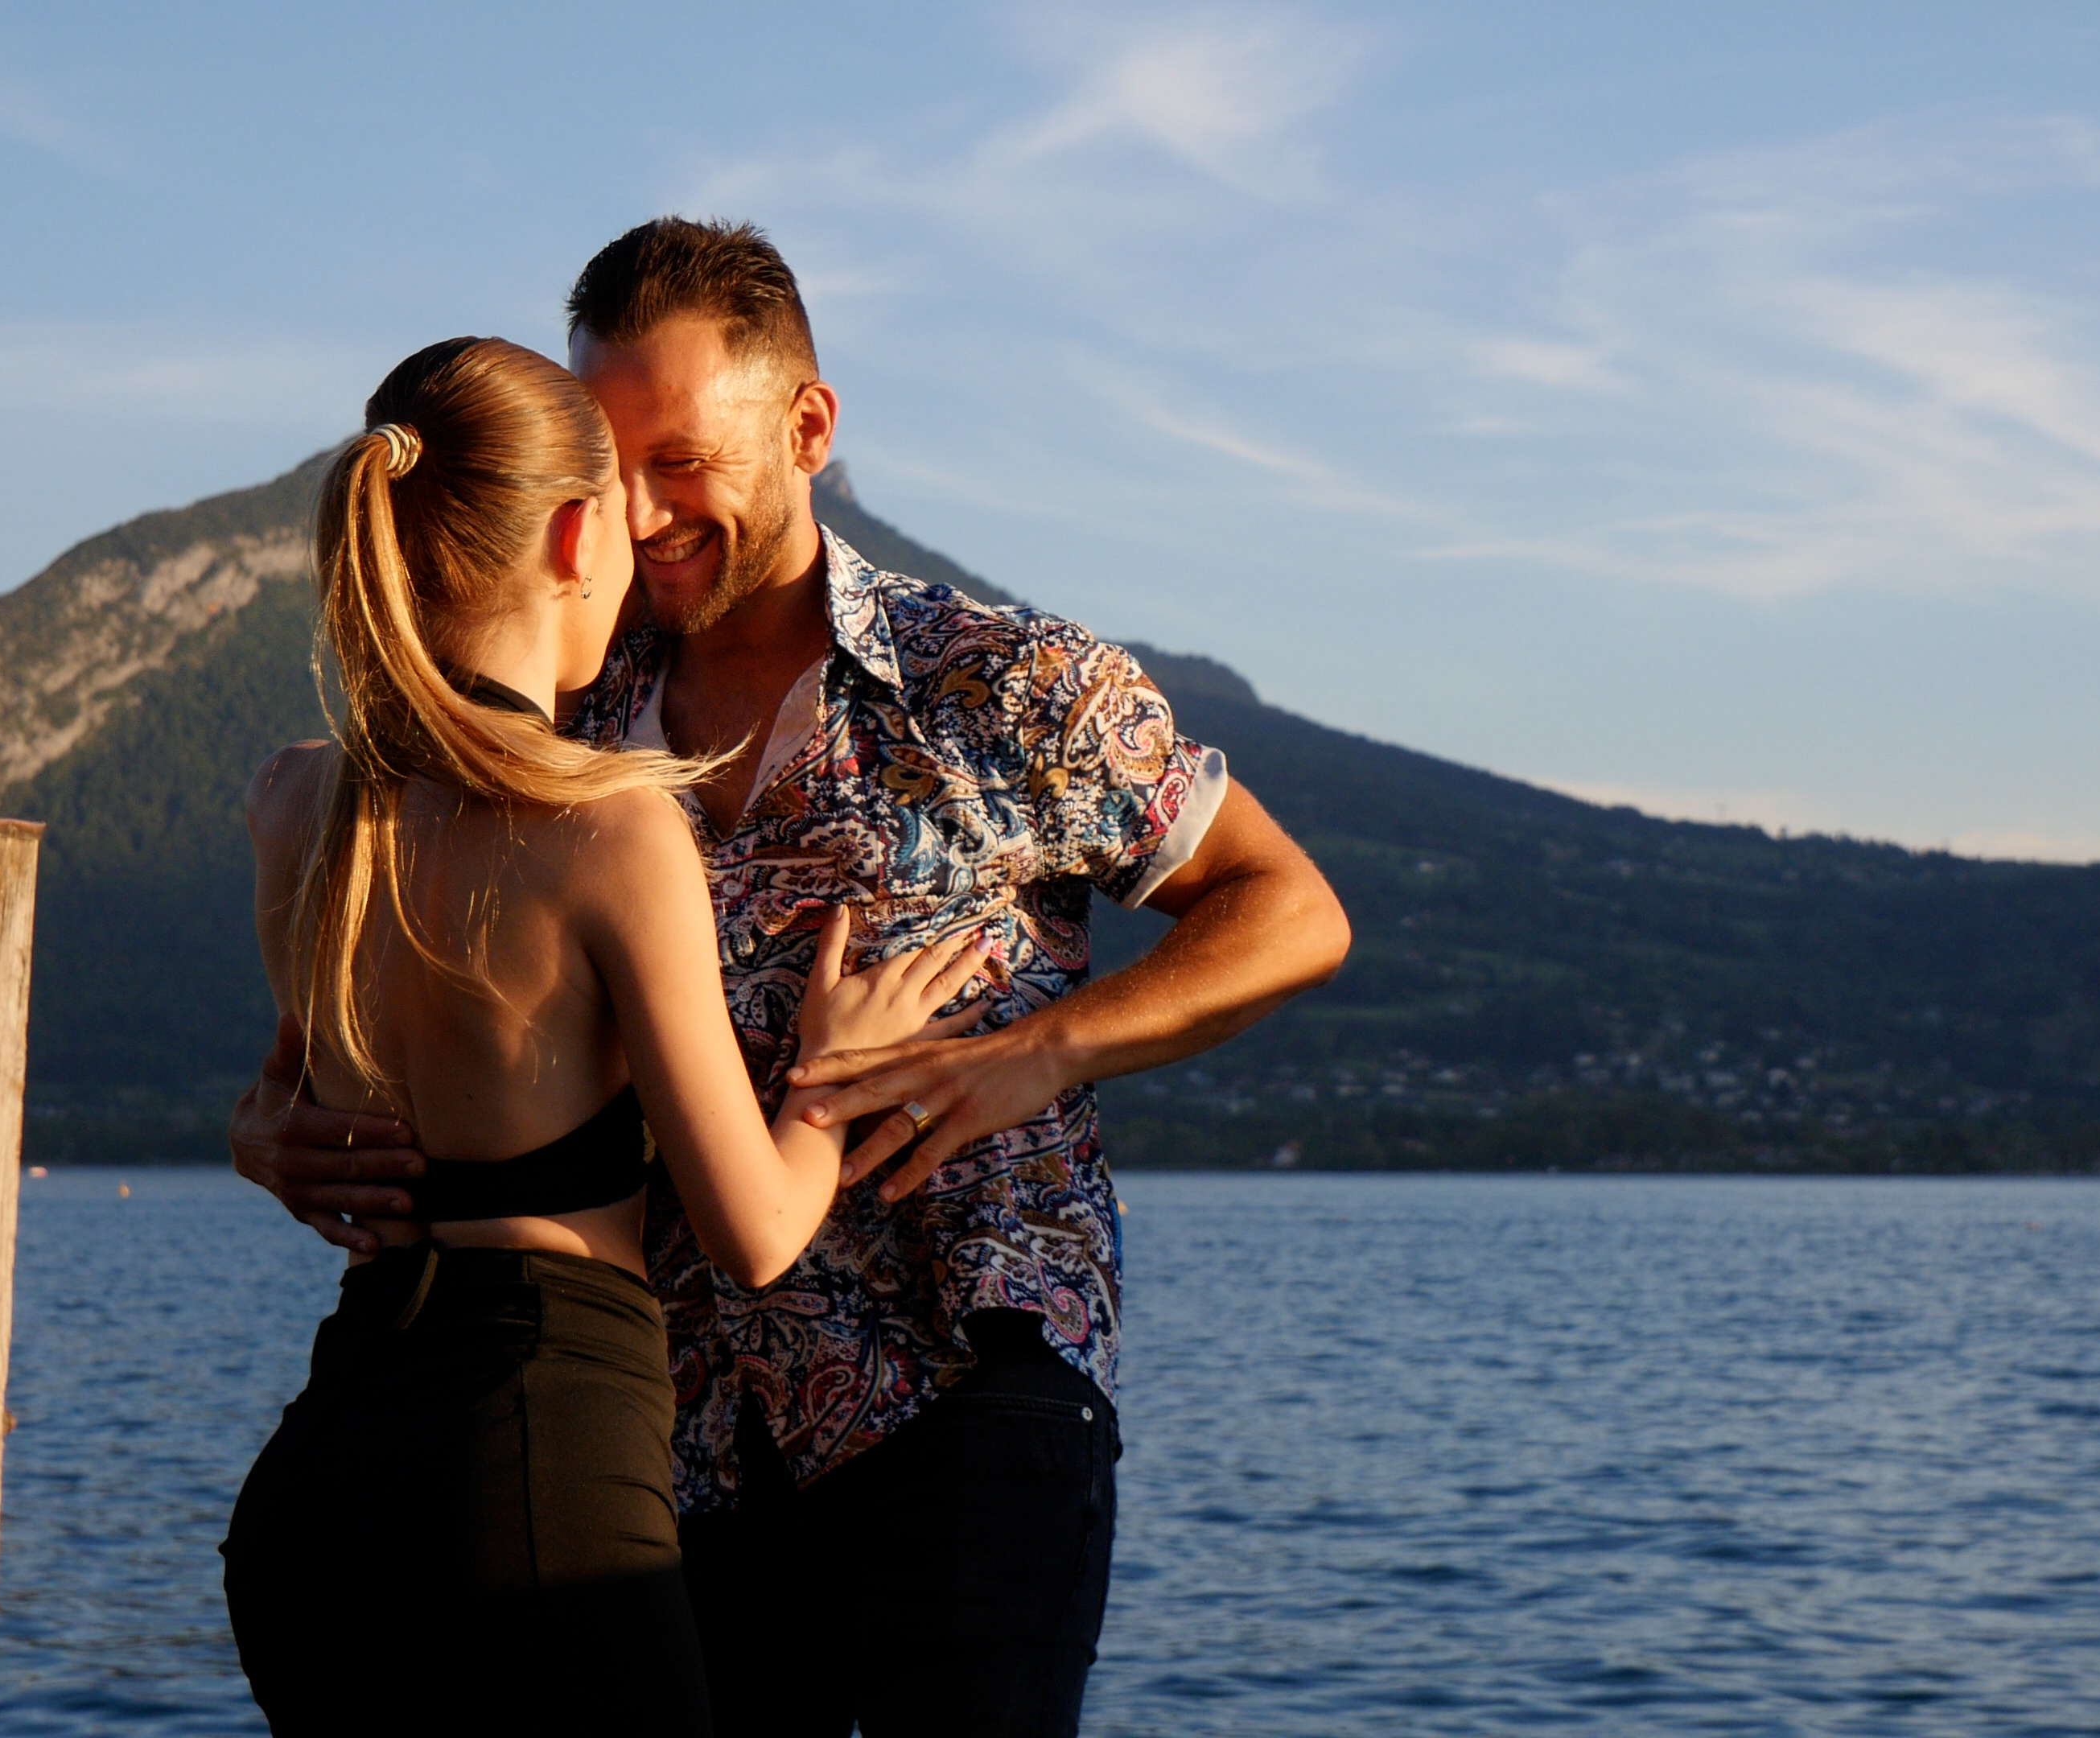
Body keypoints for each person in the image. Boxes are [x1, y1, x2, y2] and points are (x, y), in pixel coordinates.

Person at [233, 219, 1354, 1736]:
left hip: (967, 1380)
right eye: (607, 465)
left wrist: (1046, 1052)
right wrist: (268, 1133)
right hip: (660, 1444)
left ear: (808, 426)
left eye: (678, 460)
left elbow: (1291, 911)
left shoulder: (1008, 682)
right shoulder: (565, 713)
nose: (637, 510)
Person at [217, 334, 996, 1735]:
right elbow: (756, 1232)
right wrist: (827, 1078)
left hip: (322, 1473)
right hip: (531, 1462)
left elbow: (295, 1102)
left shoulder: (294, 802)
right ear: (580, 531)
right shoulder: (612, 827)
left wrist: (253, 1137)